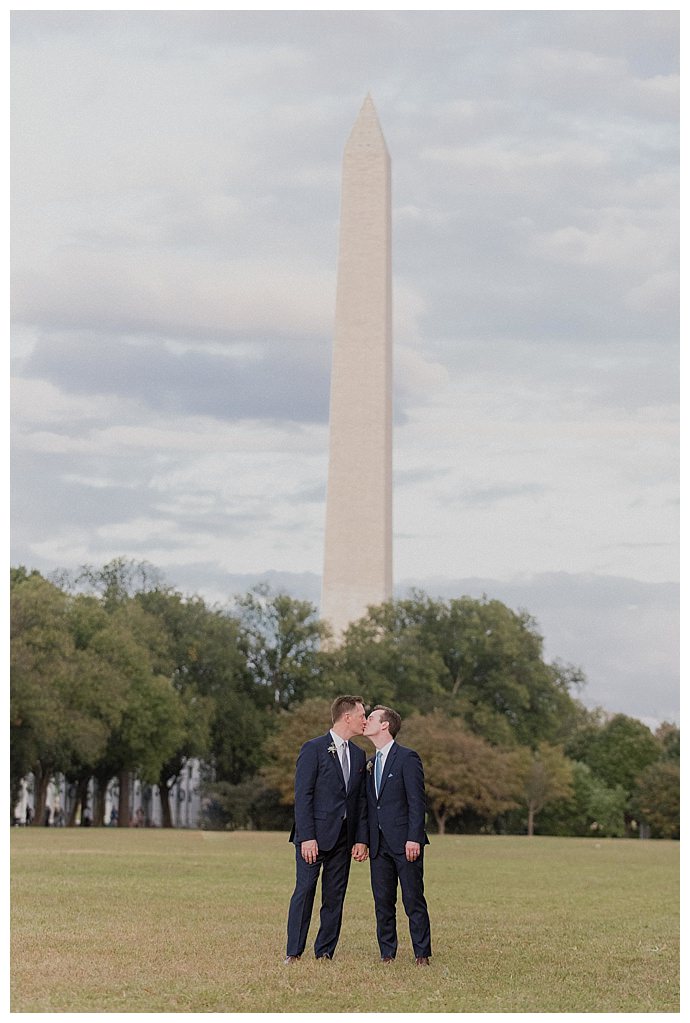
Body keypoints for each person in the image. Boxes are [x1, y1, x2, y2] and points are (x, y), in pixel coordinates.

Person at [284, 695, 369, 963]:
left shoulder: (359, 755)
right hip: (314, 837)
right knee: (305, 890)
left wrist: (361, 839)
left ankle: (325, 952)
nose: (365, 720)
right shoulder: (313, 748)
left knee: (335, 896)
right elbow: (303, 795)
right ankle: (294, 952)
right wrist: (307, 837)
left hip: (344, 838)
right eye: (362, 715)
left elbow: (360, 801)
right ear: (347, 717)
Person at [363, 704, 432, 966]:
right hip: (378, 844)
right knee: (382, 901)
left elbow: (417, 802)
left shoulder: (408, 758)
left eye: (371, 718)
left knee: (413, 898)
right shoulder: (369, 764)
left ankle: (422, 954)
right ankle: (387, 953)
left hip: (406, 843)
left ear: (385, 725)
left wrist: (414, 838)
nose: (365, 721)